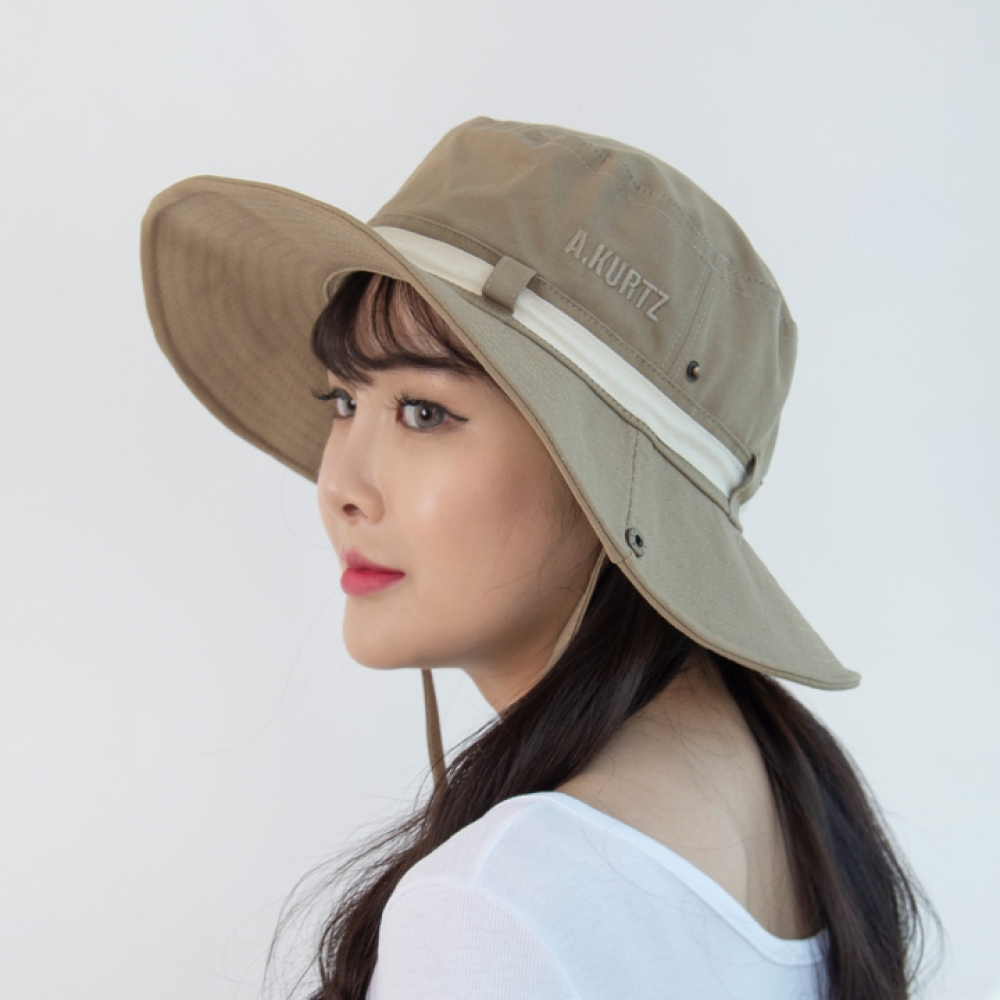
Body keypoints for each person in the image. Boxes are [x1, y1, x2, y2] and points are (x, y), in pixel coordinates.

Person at [140, 117, 934, 1000]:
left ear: (603, 481)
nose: (340, 486)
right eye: (343, 401)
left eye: (423, 413)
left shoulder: (499, 908)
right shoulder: (787, 795)